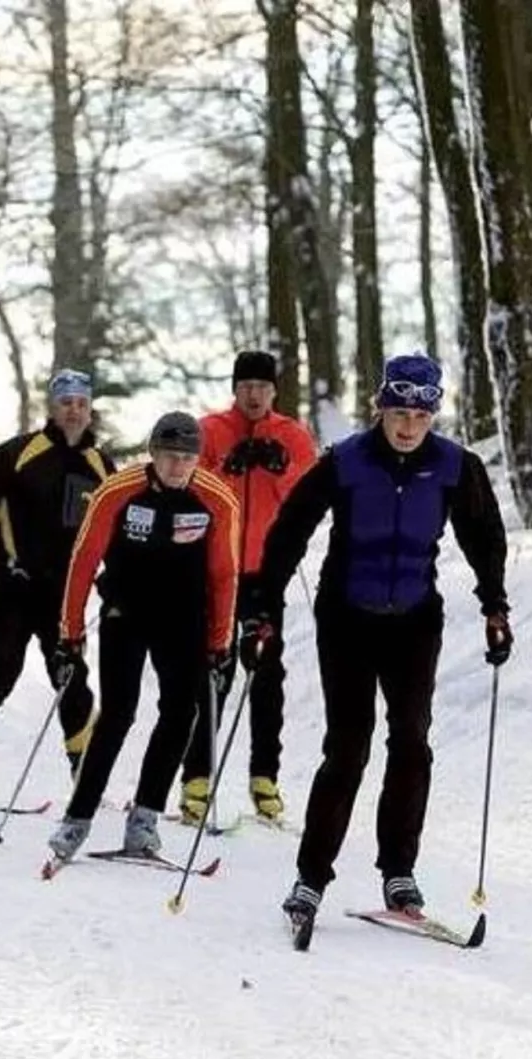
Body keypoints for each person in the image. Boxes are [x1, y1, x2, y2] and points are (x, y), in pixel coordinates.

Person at [243, 353, 514, 925]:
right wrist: (262, 607)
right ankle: (310, 878)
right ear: (380, 408)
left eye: (420, 415)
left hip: (415, 618)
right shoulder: (344, 462)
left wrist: (495, 605)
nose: (408, 425)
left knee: (412, 742)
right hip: (346, 616)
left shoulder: (455, 467)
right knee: (348, 747)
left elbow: (484, 536)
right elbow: (290, 529)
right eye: (398, 412)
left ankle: (399, 871)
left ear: (434, 415)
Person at [44, 412, 240, 862]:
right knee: (117, 713)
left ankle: (145, 821)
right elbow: (84, 559)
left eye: (188, 458)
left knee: (180, 714)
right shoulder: (119, 490)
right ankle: (77, 820)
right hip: (126, 612)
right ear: (152, 454)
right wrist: (69, 633)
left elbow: (225, 574)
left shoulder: (216, 499)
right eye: (170, 456)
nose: (178, 466)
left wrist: (220, 641)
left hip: (185, 618)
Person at [0, 368, 116, 805]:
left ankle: (85, 781)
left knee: (73, 682)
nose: (74, 410)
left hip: (65, 598)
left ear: (90, 410)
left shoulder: (102, 467)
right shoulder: (17, 453)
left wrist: (114, 582)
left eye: (81, 403)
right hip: (15, 587)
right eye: (66, 402)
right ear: (52, 407)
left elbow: (113, 534)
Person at [177, 349, 317, 826]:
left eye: (262, 387)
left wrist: (279, 469)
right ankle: (196, 776)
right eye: (245, 387)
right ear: (234, 389)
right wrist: (228, 468)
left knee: (266, 671)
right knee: (213, 668)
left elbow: (306, 501)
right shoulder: (210, 430)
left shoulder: (293, 435)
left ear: (274, 390)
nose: (253, 395)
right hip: (215, 568)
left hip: (266, 572)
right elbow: (188, 489)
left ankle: (265, 777)